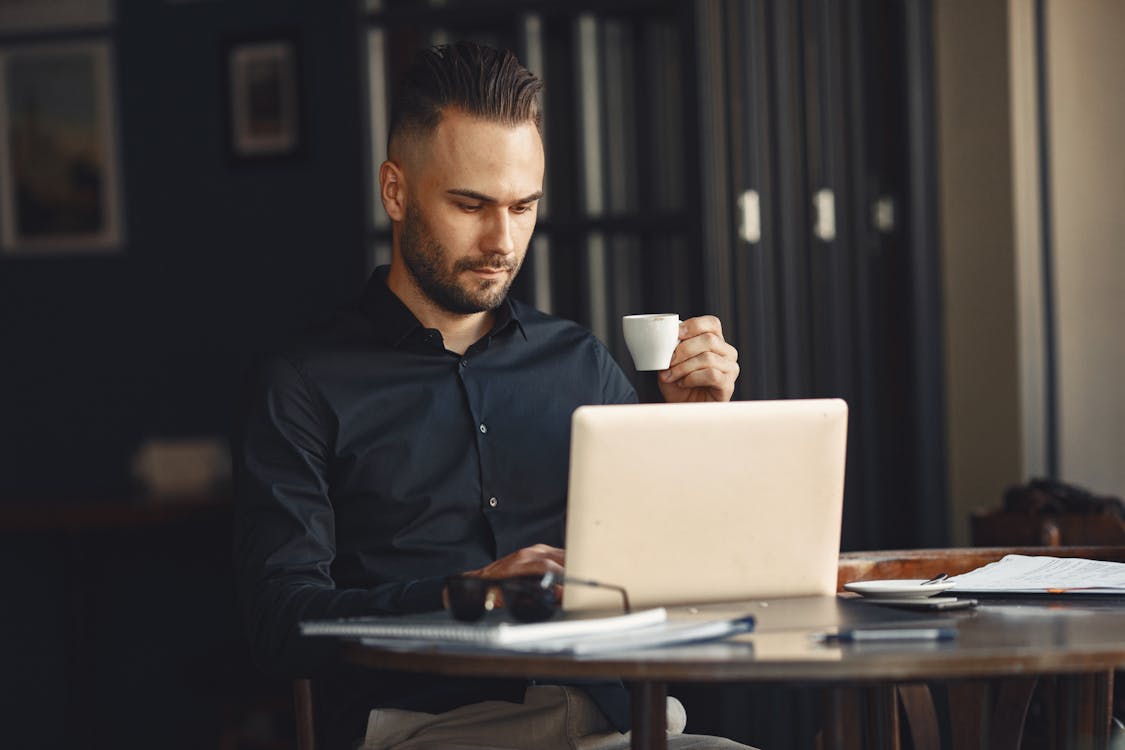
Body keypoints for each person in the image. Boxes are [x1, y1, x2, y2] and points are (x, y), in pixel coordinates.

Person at [234, 41, 747, 750]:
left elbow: (680, 577)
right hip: (434, 730)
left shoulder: (579, 365)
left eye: (523, 206)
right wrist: (465, 592)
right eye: (470, 205)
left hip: (622, 725)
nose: (502, 241)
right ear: (396, 191)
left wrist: (692, 438)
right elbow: (280, 625)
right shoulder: (306, 384)